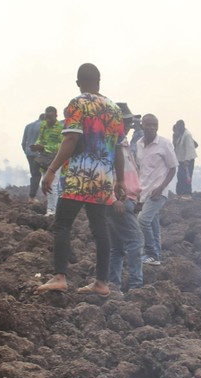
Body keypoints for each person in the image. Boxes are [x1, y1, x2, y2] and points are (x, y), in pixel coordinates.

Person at [36, 63, 125, 297]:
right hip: (102, 179)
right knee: (100, 229)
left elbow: (71, 140)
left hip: (78, 176)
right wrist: (120, 180)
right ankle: (102, 282)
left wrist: (52, 169)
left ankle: (59, 277)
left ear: (78, 83)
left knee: (63, 225)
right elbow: (119, 149)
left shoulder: (77, 104)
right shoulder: (114, 109)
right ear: (99, 81)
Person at [108, 103, 145, 291]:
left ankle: (114, 286)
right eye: (127, 121)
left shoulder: (123, 143)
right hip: (119, 202)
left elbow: (131, 173)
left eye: (131, 121)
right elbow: (104, 174)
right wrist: (115, 199)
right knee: (135, 242)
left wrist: (137, 198)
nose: (131, 124)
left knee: (117, 248)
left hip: (127, 200)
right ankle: (136, 287)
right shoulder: (111, 144)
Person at [136, 113, 177, 267]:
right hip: (145, 191)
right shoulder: (139, 144)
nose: (152, 127)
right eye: (148, 124)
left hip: (158, 192)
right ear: (142, 126)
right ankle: (157, 256)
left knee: (142, 220)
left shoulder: (164, 144)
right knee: (152, 224)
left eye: (155, 125)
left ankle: (151, 254)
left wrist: (161, 188)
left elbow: (173, 168)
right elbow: (142, 170)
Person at [31, 106, 64, 216]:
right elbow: (41, 138)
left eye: (50, 118)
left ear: (56, 115)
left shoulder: (61, 127)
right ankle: (52, 208)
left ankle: (52, 211)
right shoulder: (43, 125)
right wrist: (37, 145)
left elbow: (61, 145)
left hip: (56, 159)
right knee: (45, 184)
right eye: (46, 118)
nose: (48, 120)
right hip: (44, 159)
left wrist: (44, 147)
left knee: (53, 185)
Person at [22, 113, 44, 202]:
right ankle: (32, 197)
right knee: (40, 174)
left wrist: (27, 152)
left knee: (34, 174)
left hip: (29, 153)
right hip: (40, 153)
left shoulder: (28, 126)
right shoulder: (44, 126)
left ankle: (32, 196)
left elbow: (23, 143)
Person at [172, 119, 197, 197]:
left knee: (187, 176)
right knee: (180, 175)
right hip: (181, 159)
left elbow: (189, 147)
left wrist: (187, 160)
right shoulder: (180, 135)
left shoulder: (187, 135)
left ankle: (187, 193)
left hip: (187, 160)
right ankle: (180, 192)